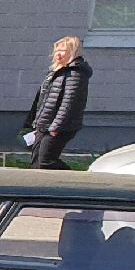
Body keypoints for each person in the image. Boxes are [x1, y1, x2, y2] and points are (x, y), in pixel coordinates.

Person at [26, 36, 91, 170]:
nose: (57, 54)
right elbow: (44, 100)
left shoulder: (75, 73)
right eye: (56, 51)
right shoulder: (55, 72)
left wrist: (56, 127)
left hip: (60, 127)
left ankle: (75, 182)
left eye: (62, 50)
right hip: (44, 124)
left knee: (46, 160)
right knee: (36, 162)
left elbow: (69, 104)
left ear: (72, 52)